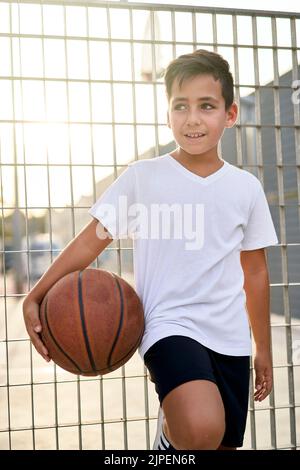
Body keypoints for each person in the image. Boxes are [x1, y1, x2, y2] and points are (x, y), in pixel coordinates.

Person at [23, 49, 278, 450]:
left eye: (206, 106)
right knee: (199, 429)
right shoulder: (145, 177)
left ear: (230, 114)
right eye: (181, 106)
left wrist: (262, 347)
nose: (192, 118)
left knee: (217, 444)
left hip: (230, 338)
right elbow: (91, 239)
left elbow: (256, 272)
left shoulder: (245, 188)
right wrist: (37, 294)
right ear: (167, 114)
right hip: (168, 326)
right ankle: (166, 441)